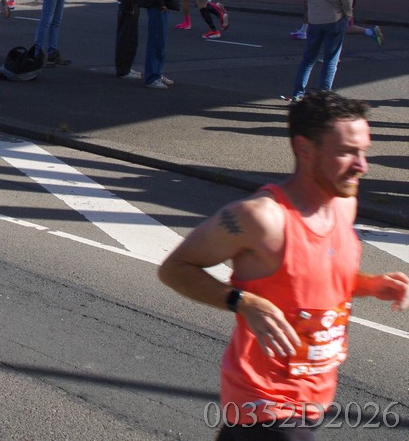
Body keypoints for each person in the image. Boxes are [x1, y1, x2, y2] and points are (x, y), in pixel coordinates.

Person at [158, 92, 408, 436]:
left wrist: (369, 285)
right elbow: (174, 268)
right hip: (265, 402)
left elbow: (312, 277)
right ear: (305, 149)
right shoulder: (260, 218)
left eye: (363, 151)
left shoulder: (342, 203)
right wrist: (243, 301)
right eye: (347, 152)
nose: (362, 165)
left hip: (315, 396)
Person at [290, 0, 354, 102]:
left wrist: (310, 7)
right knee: (330, 60)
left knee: (308, 59)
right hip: (334, 18)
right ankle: (324, 96)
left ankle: (298, 93)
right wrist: (348, 14)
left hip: (314, 18)